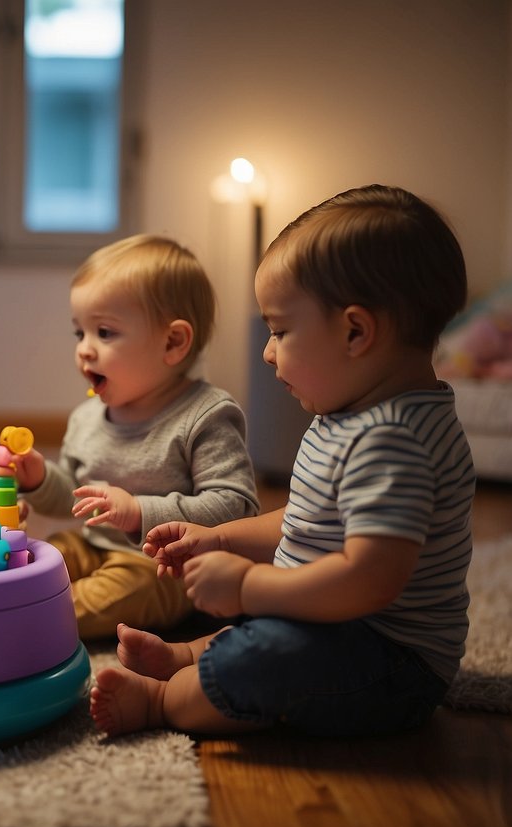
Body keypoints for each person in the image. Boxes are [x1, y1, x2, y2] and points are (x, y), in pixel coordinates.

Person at [92, 185, 474, 739]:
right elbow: (305, 521)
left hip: (391, 667)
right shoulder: (351, 416)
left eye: (280, 331)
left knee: (267, 648)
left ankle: (161, 701)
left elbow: (368, 580)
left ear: (355, 331)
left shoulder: (393, 441)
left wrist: (248, 587)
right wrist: (219, 539)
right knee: (267, 621)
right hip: (337, 625)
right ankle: (187, 659)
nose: (268, 351)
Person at [12, 235, 259, 640]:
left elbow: (236, 508)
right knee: (46, 553)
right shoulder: (87, 418)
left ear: (173, 342)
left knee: (120, 591)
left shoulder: (206, 415)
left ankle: (30, 621)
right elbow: (74, 499)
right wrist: (38, 478)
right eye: (80, 333)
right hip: (94, 546)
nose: (85, 351)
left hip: (164, 568)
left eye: (104, 333)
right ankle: (17, 601)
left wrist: (139, 512)